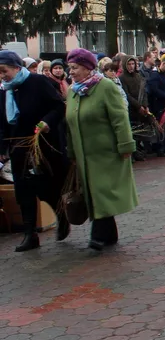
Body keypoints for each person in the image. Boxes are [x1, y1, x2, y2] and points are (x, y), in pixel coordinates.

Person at [64, 48, 138, 252]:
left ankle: (96, 238)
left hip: (107, 153)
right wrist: (71, 151)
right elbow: (69, 124)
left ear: (88, 68)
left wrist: (125, 145)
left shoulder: (105, 87)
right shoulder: (73, 91)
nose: (71, 72)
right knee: (95, 193)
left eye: (75, 67)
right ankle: (109, 235)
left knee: (101, 192)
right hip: (84, 154)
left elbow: (120, 118)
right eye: (69, 67)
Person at [0, 50, 69, 252]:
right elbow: (2, 122)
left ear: (16, 67)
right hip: (18, 148)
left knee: (47, 187)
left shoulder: (38, 82)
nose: (2, 75)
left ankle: (61, 214)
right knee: (23, 190)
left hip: (43, 146)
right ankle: (30, 235)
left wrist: (46, 122)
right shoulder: (5, 90)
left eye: (4, 71)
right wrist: (2, 148)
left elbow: (58, 107)